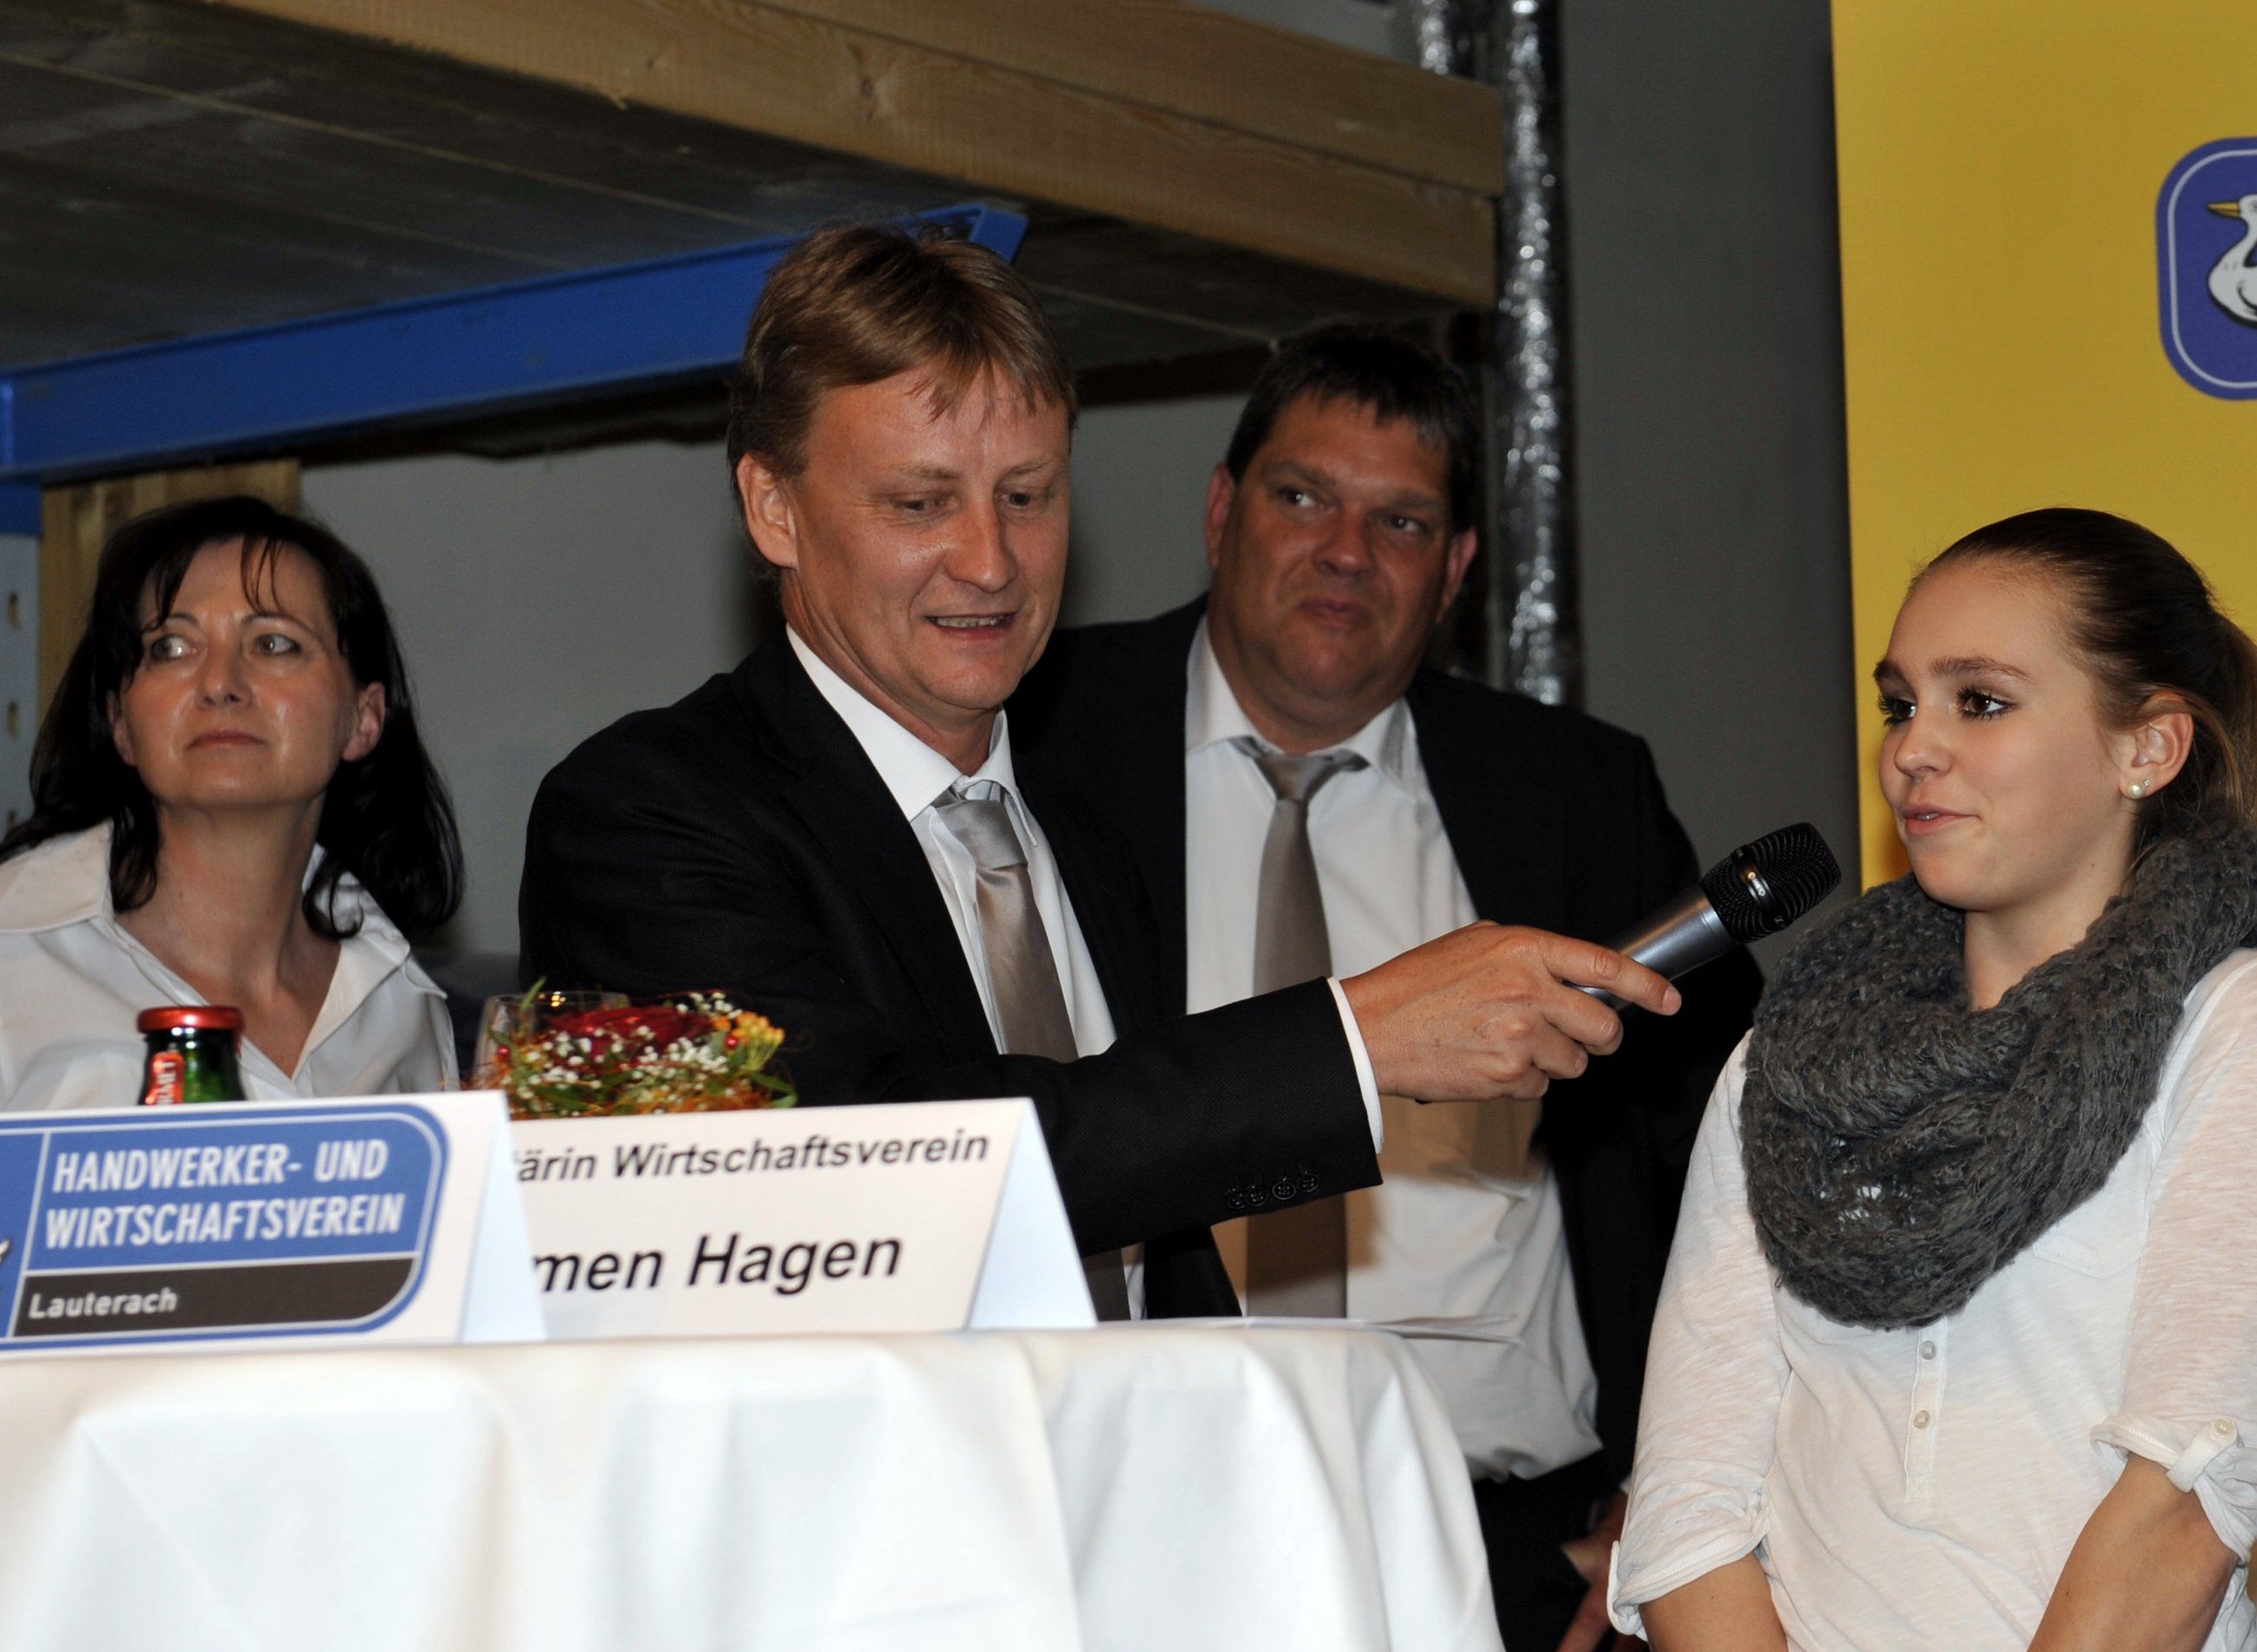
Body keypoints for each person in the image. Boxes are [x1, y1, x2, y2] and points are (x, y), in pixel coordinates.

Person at [520, 226, 1675, 1320]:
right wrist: (1355, 1041)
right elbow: (849, 1182)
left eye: (1026, 496)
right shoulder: (639, 818)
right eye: (922, 503)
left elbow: (1150, 1214)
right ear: (773, 508)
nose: (990, 562)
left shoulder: (1080, 817)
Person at [1610, 509, 2257, 1652]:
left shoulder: (2242, 1027)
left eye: (1980, 700)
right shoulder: (1783, 1066)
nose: (1912, 749)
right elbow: (1685, 1513)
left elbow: (2182, 1502)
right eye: (1900, 702)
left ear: (2148, 746)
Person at [1021, 326, 1759, 1652]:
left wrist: (1684, 1487)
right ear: (1219, 510)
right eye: (1302, 498)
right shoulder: (1041, 741)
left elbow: (1734, 1164)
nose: (1345, 553)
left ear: (1458, 566)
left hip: (1503, 1561)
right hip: (1138, 1537)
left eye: (1400, 521)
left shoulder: (1573, 793)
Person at [0, 495, 462, 1107]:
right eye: (171, 647)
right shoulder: (13, 953)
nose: (219, 684)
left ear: (364, 717)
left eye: (273, 644)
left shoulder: (400, 1005)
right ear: (121, 724)